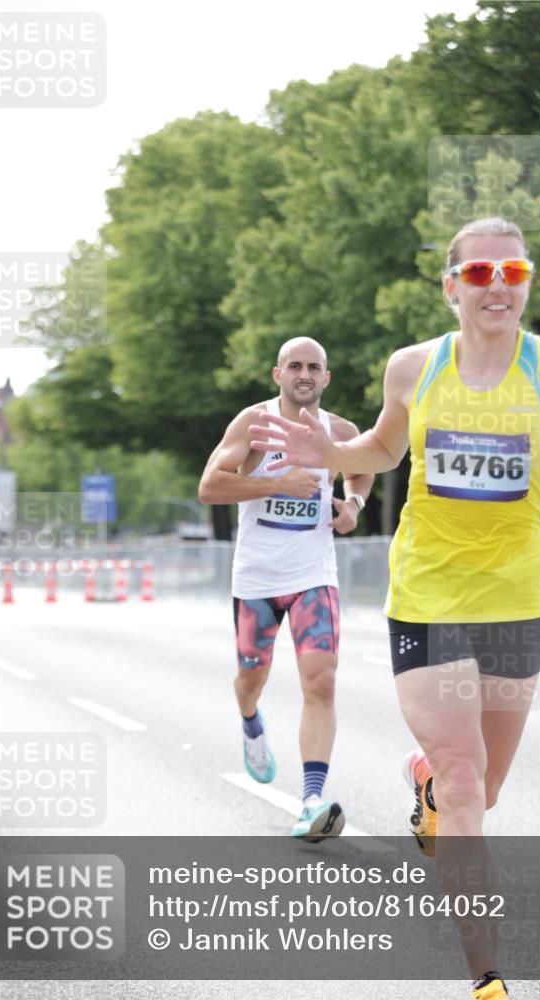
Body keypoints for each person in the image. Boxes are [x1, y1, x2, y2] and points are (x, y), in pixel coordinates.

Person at [249, 218, 540, 998]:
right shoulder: (413, 367)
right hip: (425, 593)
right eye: (478, 273)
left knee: (481, 790)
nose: (496, 285)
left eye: (510, 271)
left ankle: (422, 785)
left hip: (518, 599)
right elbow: (384, 451)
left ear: (525, 283)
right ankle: (485, 976)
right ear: (450, 286)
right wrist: (332, 457)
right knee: (463, 780)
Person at [198, 337, 373, 841]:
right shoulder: (253, 424)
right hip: (256, 577)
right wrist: (277, 484)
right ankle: (250, 720)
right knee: (251, 677)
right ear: (278, 375)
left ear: (326, 378)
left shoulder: (340, 431)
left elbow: (361, 473)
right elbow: (210, 486)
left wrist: (352, 507)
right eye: (294, 366)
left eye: (313, 367)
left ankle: (312, 801)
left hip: (314, 574)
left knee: (321, 681)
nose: (304, 374)